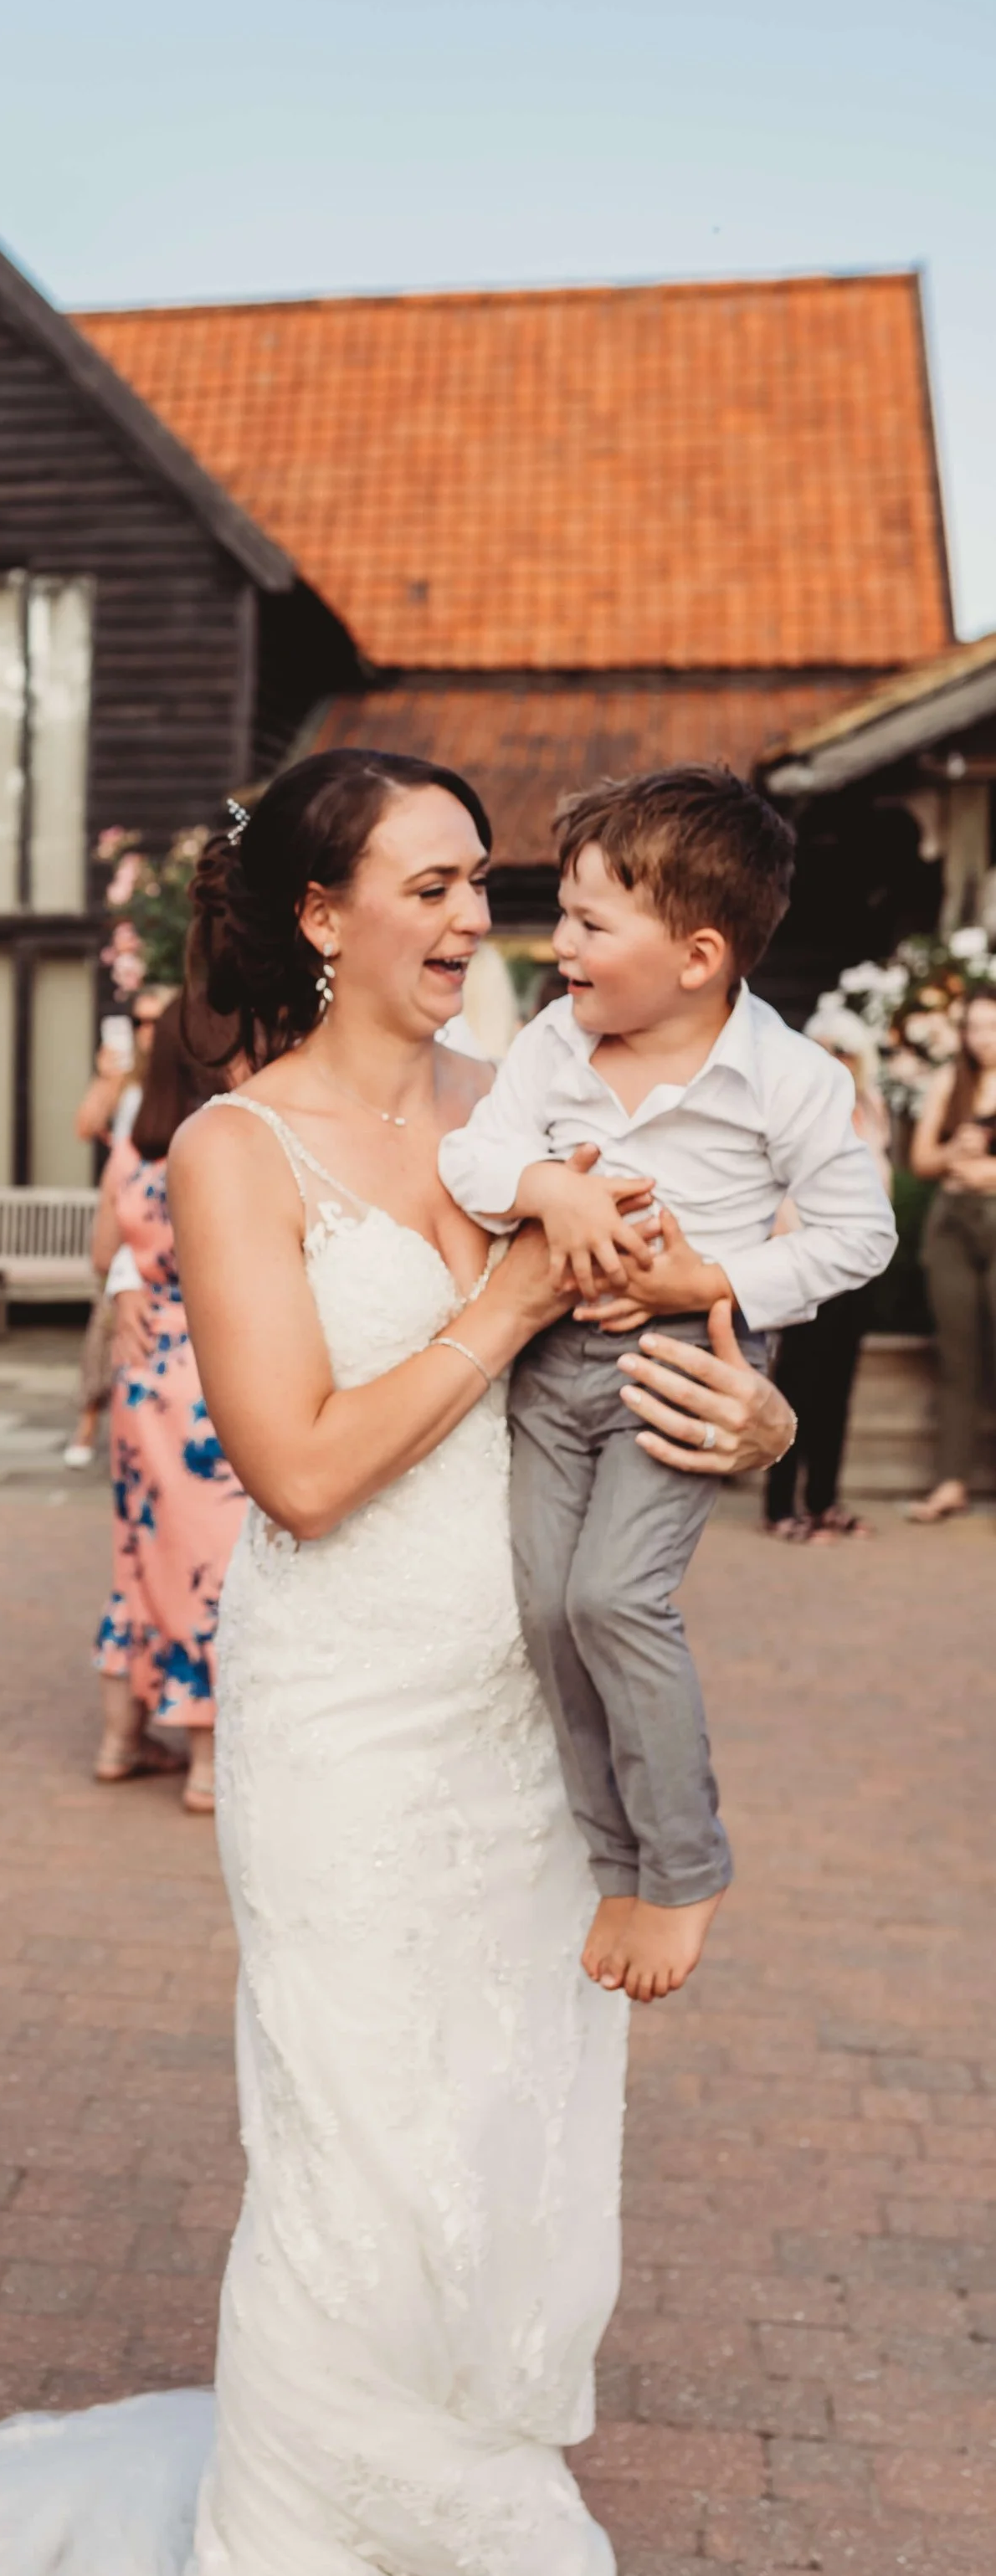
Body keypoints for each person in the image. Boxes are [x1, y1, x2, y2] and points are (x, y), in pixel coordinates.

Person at [0, 752, 793, 2576]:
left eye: (485, 888)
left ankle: (414, 2463)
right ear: (321, 912)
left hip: (529, 1732)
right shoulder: (235, 1148)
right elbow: (306, 1464)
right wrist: (516, 1283)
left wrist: (751, 1419)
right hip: (345, 1708)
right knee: (348, 2128)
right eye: (426, 883)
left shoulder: (539, 1105)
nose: (471, 918)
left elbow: (677, 1339)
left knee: (511, 2114)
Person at [438, 769, 894, 2004]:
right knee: (543, 1609)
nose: (559, 943)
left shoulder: (790, 1079)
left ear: (697, 954)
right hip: (549, 1363)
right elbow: (475, 1151)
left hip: (682, 1367)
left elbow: (860, 1238)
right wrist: (551, 1190)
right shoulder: (550, 1041)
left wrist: (717, 1279)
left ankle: (686, 1864)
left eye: (590, 922)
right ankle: (616, 1860)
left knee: (613, 1599)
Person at [92, 1004, 245, 1811]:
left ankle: (121, 1738)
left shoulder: (132, 1151)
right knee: (211, 1564)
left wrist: (129, 1285)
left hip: (140, 1375)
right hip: (210, 1376)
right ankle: (208, 1765)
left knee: (139, 1556)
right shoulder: (226, 1148)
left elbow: (100, 1252)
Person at [762, 1009, 894, 1541]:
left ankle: (824, 1500)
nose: (834, 1059)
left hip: (856, 1267)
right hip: (808, 1260)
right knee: (795, 1383)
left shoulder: (872, 1109)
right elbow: (778, 1190)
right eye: (824, 1047)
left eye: (844, 1050)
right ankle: (779, 1506)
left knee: (838, 1389)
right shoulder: (794, 1109)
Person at [65, 987, 174, 1468]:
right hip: (125, 1210)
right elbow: (87, 1126)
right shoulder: (126, 1080)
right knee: (104, 1319)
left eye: (156, 1021)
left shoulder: (183, 1079)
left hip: (168, 1216)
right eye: (138, 1021)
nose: (146, 1031)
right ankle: (88, 1423)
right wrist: (106, 1080)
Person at [904, 985, 996, 1523]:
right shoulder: (951, 1081)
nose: (982, 1039)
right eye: (974, 1028)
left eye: (992, 1027)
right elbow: (921, 1160)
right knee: (957, 1358)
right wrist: (953, 1153)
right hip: (952, 1228)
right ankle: (950, 1481)